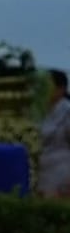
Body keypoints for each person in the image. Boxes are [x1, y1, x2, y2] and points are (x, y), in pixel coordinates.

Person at [40, 70, 70, 199]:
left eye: (47, 85)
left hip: (63, 177)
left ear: (61, 89)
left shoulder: (67, 112)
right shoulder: (39, 110)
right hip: (41, 175)